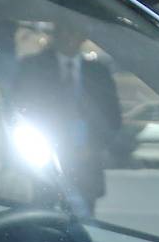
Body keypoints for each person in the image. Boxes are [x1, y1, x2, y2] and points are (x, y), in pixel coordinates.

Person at [9, 21, 123, 218]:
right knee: (44, 218)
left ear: (84, 36)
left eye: (75, 30)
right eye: (65, 30)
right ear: (56, 34)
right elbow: (19, 110)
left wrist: (94, 147)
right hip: (47, 160)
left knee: (85, 222)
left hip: (86, 163)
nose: (70, 37)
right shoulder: (33, 67)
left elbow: (112, 118)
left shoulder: (99, 72)